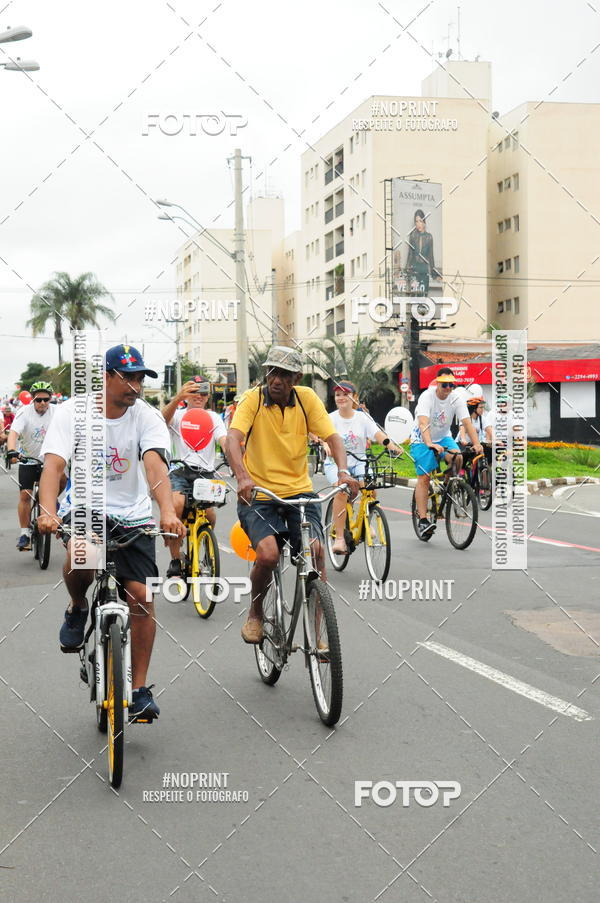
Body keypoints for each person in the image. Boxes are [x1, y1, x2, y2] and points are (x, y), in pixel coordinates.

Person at [37, 344, 185, 722]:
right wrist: (49, 512)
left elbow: (154, 466)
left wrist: (167, 510)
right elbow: (54, 466)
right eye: (127, 377)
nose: (135, 385)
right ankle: (78, 606)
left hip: (132, 515)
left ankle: (138, 691)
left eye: (140, 378)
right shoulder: (74, 412)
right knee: (83, 558)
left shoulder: (147, 416)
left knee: (141, 596)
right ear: (105, 377)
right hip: (85, 507)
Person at [227, 346, 360, 644]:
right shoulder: (252, 400)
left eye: (284, 374)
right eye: (272, 372)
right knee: (268, 555)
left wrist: (342, 472)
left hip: (300, 493)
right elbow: (233, 439)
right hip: (259, 495)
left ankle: (319, 631)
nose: (276, 380)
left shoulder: (306, 399)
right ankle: (256, 612)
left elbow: (332, 437)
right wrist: (243, 477)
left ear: (296, 377)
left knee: (316, 552)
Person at [317, 380, 402, 554]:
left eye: (345, 394)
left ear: (355, 397)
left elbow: (378, 434)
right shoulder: (331, 418)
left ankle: (367, 522)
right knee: (341, 490)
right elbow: (323, 437)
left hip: (360, 461)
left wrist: (391, 446)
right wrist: (326, 445)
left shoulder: (362, 418)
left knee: (371, 487)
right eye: (338, 394)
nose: (341, 398)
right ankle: (340, 538)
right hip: (337, 464)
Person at [161, 378, 227, 578]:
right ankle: (175, 558)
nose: (199, 396)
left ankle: (203, 545)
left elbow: (224, 440)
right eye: (194, 391)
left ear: (208, 397)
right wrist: (177, 398)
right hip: (179, 471)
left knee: (210, 515)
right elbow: (160, 421)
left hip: (204, 474)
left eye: (204, 393)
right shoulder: (178, 415)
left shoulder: (214, 418)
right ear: (187, 395)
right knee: (177, 505)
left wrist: (233, 456)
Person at [410, 368, 483, 539]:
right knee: (424, 478)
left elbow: (467, 422)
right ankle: (422, 520)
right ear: (437, 383)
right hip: (421, 439)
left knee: (458, 457)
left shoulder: (456, 399)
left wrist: (478, 443)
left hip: (443, 437)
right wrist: (429, 443)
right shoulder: (427, 397)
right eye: (445, 385)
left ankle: (449, 484)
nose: (448, 388)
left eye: (451, 384)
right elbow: (423, 422)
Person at [6, 382, 60, 551]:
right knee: (25, 495)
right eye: (38, 400)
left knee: (64, 479)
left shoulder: (57, 412)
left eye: (46, 399)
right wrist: (12, 451)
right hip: (28, 459)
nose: (42, 403)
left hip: (51, 460)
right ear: (33, 400)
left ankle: (50, 500)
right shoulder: (24, 412)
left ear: (50, 399)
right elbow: (13, 433)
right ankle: (24, 534)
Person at [405, 208, 440, 295]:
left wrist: (435, 274)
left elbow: (431, 257)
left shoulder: (429, 237)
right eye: (416, 221)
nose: (418, 224)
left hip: (424, 272)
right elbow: (410, 255)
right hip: (414, 271)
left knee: (423, 298)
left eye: (420, 221)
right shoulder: (412, 236)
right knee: (413, 299)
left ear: (424, 221)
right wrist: (406, 272)